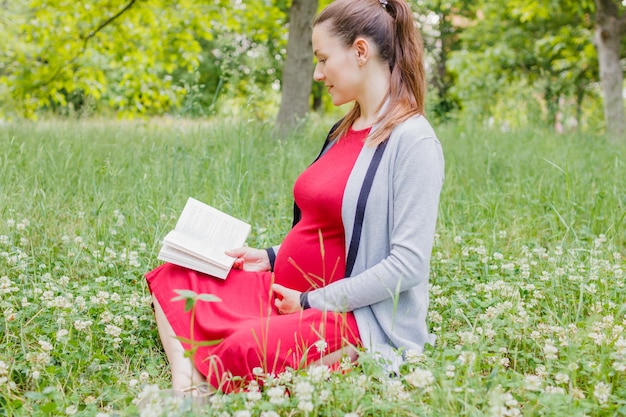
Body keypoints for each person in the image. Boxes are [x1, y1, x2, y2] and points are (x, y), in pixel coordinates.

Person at [145, 0, 444, 396]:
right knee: (176, 274)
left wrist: (311, 301)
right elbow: (327, 224)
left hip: (343, 316)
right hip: (285, 294)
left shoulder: (413, 141)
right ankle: (188, 386)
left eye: (323, 59)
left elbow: (408, 265)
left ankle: (216, 375)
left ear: (359, 51)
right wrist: (269, 256)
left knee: (243, 348)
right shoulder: (345, 127)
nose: (318, 74)